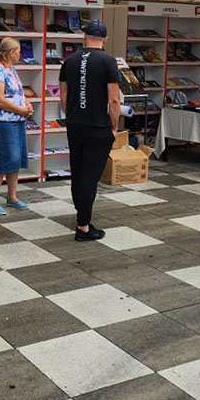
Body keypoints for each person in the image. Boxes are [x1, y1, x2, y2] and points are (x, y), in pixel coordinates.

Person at [59, 19, 120, 242]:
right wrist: (115, 126)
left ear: (84, 37)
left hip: (75, 125)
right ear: (105, 39)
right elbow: (114, 99)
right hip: (97, 126)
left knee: (78, 172)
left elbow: (63, 95)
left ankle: (81, 216)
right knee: (90, 176)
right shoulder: (108, 61)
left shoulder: (69, 61)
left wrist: (71, 117)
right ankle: (83, 226)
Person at [0, 37, 34, 214]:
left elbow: (18, 92)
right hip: (2, 122)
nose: (20, 55)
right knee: (1, 159)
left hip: (16, 120)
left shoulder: (11, 69)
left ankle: (12, 196)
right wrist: (21, 110)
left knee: (15, 158)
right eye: (19, 52)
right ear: (11, 53)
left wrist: (26, 104)